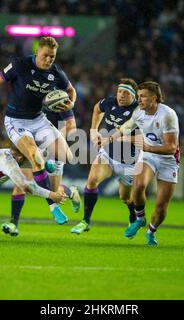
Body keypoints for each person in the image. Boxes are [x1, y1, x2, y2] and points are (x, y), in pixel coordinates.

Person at [0, 36, 76, 225]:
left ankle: (47, 165)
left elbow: (71, 90)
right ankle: (53, 206)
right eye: (45, 56)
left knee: (66, 156)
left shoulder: (56, 72)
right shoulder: (19, 65)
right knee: (33, 157)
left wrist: (71, 102)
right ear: (37, 52)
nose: (48, 60)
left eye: (52, 57)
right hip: (16, 121)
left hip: (38, 119)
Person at [104, 81, 180, 246]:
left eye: (143, 96)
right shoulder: (139, 113)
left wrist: (145, 146)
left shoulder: (167, 115)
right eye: (138, 96)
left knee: (161, 205)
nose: (139, 100)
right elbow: (125, 127)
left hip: (168, 161)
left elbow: (171, 148)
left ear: (155, 98)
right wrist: (109, 138)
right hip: (148, 156)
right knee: (138, 186)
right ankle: (140, 219)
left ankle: (151, 231)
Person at [71, 78, 139, 234]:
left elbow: (143, 138)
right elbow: (97, 108)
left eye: (126, 93)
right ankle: (85, 221)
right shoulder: (110, 102)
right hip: (108, 153)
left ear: (134, 96)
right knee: (92, 180)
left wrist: (121, 138)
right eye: (120, 91)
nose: (121, 95)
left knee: (126, 198)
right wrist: (93, 131)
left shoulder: (139, 111)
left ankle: (133, 217)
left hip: (129, 161)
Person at [1, 108, 81, 237]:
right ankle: (13, 224)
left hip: (53, 151)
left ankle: (70, 192)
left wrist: (51, 140)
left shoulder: (60, 97)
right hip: (30, 144)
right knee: (22, 184)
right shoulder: (29, 98)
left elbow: (71, 126)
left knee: (54, 192)